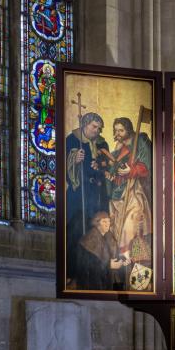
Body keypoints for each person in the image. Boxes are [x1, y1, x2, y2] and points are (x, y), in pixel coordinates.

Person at [65, 112, 110, 285]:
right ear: (85, 125)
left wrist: (99, 165)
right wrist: (74, 160)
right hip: (78, 195)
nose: (97, 131)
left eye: (99, 128)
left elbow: (107, 165)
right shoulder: (72, 140)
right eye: (94, 127)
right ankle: (73, 272)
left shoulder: (102, 143)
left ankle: (96, 273)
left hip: (96, 194)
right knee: (76, 230)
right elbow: (63, 166)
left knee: (96, 230)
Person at [107, 117, 153, 252]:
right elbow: (113, 168)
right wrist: (111, 173)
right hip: (119, 193)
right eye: (116, 131)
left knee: (132, 225)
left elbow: (148, 166)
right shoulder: (120, 148)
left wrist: (131, 170)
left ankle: (133, 259)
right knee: (117, 229)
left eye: (121, 130)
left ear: (129, 130)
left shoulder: (141, 141)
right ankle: (122, 264)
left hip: (135, 190)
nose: (118, 134)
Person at [75, 211, 129, 290]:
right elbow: (87, 267)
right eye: (104, 221)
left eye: (109, 221)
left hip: (109, 281)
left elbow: (114, 255)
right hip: (95, 285)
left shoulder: (109, 236)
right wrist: (109, 266)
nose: (108, 224)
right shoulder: (89, 239)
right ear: (97, 223)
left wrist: (123, 260)